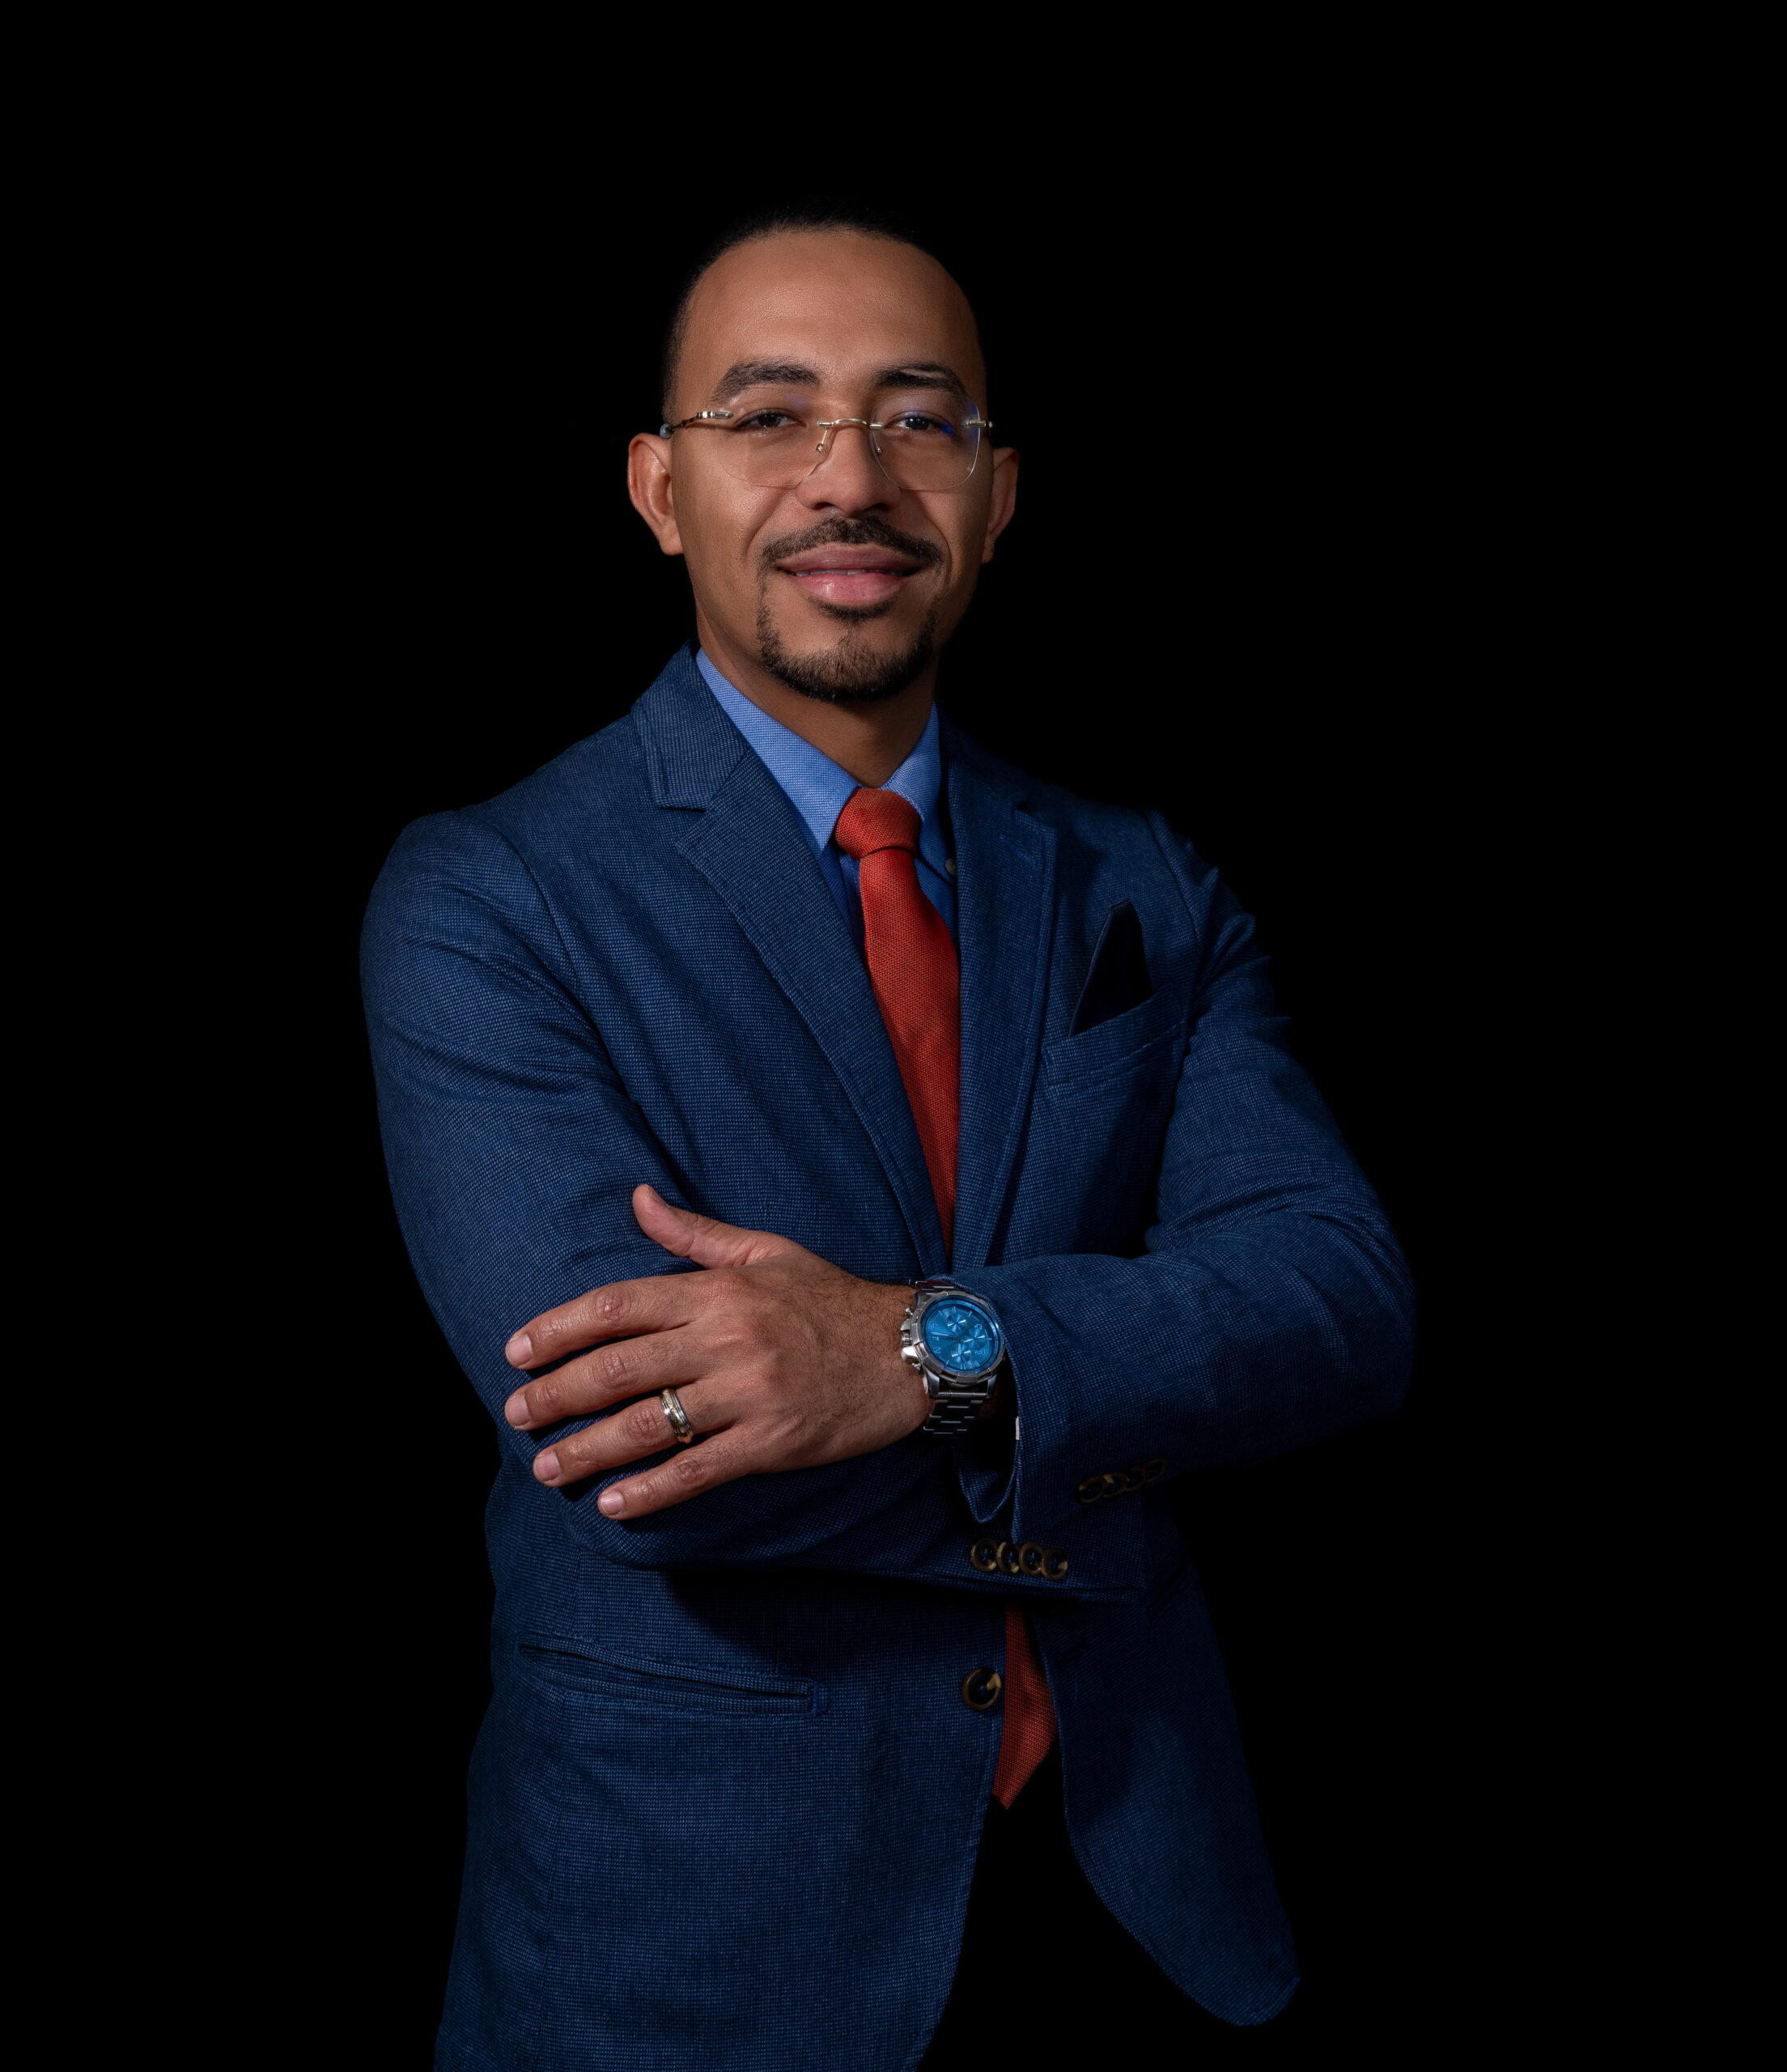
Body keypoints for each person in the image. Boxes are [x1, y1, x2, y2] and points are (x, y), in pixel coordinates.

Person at [362, 206, 1414, 2070]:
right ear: (659, 488)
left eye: (922, 419)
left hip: (1143, 1896)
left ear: (998, 496)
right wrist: (1118, 1421)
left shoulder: (1143, 880)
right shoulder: (487, 898)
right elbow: (650, 1455)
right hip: (704, 1946)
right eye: (770, 413)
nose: (852, 478)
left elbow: (1336, 1300)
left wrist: (925, 1355)